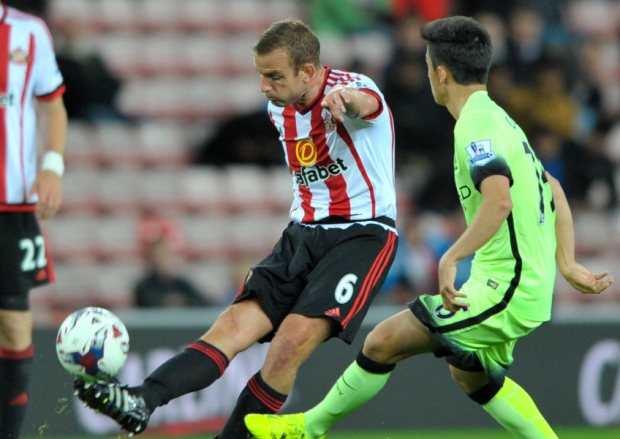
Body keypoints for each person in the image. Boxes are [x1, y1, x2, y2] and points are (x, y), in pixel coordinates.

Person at [244, 16, 614, 439]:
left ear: (441, 73)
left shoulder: (477, 126)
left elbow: (500, 200)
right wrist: (565, 264)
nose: (426, 76)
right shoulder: (498, 119)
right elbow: (552, 186)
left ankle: (307, 427)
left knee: (384, 340)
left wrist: (451, 256)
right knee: (472, 376)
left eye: (426, 67)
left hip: (507, 286)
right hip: (511, 282)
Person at [74, 18, 398, 438]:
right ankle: (141, 401)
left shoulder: (352, 86)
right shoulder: (278, 107)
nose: (265, 87)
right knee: (232, 326)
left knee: (289, 343)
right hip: (303, 233)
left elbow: (367, 103)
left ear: (309, 71)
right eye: (261, 76)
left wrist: (346, 101)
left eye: (275, 76)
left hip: (361, 233)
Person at [0, 2, 67, 438]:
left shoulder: (29, 32)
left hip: (11, 205)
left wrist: (52, 166)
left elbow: (53, 106)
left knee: (13, 322)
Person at [134, 238, 214, 308]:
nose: (164, 260)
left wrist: (184, 302)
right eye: (160, 255)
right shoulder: (144, 287)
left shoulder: (182, 284)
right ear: (151, 259)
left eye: (167, 254)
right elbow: (148, 305)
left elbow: (203, 304)